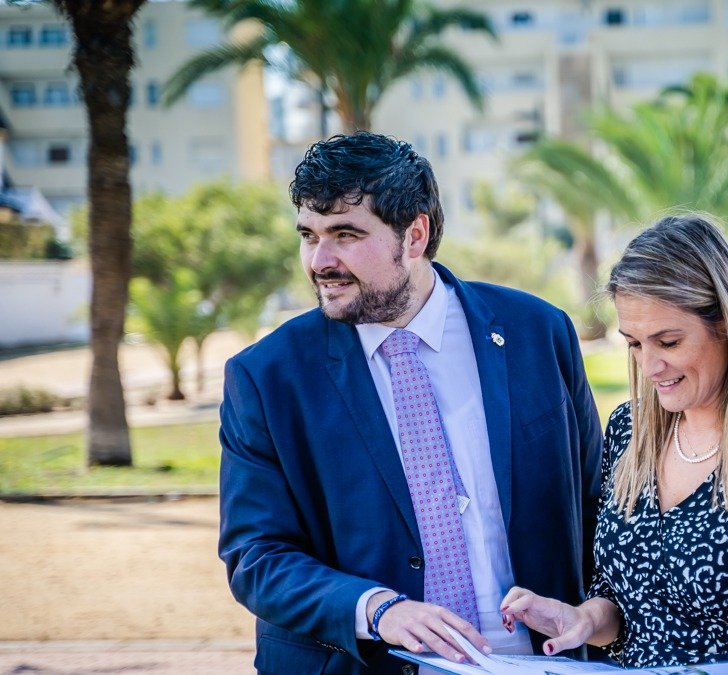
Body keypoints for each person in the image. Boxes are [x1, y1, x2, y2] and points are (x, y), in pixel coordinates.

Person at [218, 132, 604, 674]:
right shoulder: (266, 377)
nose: (320, 261)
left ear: (415, 234)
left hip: (541, 663)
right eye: (309, 235)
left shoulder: (539, 333)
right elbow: (257, 556)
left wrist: (598, 615)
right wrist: (379, 610)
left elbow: (599, 503)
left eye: (346, 234)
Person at [500, 214, 728, 673]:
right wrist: (583, 618)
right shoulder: (631, 431)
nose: (649, 367)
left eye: (667, 342)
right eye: (633, 344)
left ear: (726, 323)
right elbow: (627, 610)